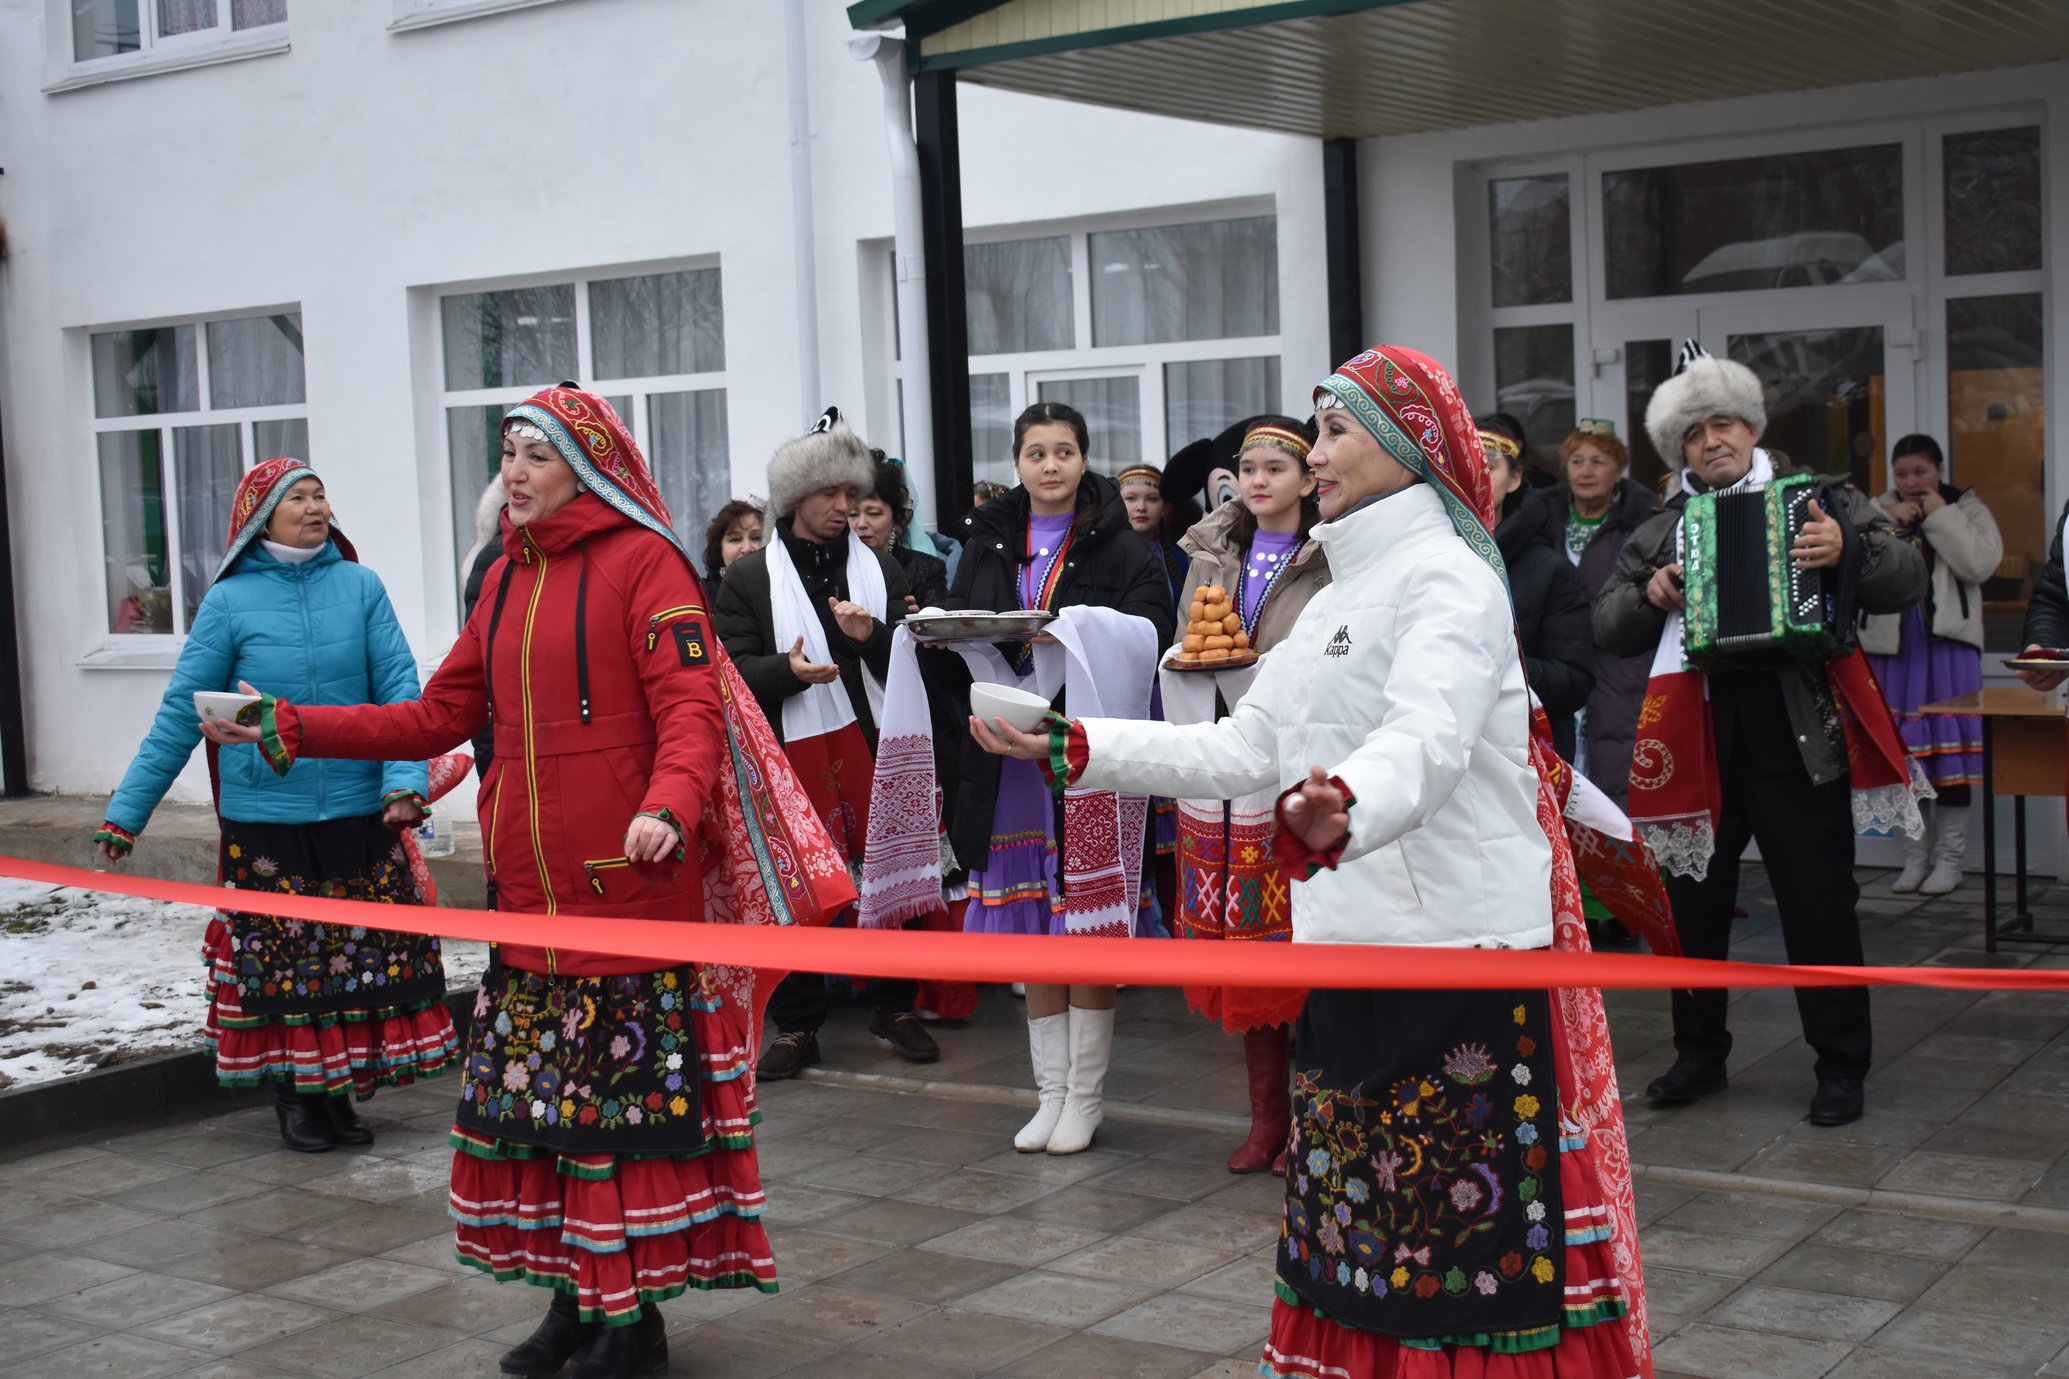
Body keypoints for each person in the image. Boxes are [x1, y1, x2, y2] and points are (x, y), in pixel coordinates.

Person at [971, 346, 1644, 1378]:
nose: (1310, 451)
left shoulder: (1448, 579)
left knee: (1452, 1252)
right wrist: (1075, 744)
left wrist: (1324, 816)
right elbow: (1245, 747)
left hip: (1449, 954)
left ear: (1405, 443)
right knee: (1361, 1238)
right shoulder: (1328, 589)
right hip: (1343, 944)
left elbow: (1424, 741)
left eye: (1333, 430)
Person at [207, 388, 798, 1379]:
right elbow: (434, 712)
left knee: (620, 1122)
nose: (513, 470)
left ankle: (633, 1322)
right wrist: (294, 725)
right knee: (546, 1120)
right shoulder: (504, 582)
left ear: (588, 466)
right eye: (507, 452)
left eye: (535, 453)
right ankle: (576, 1305)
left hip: (627, 900)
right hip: (529, 905)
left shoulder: (646, 564)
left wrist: (667, 803)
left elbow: (690, 705)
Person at [1594, 343, 1926, 1128]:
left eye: (1725, 424)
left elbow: (1905, 577)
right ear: (1679, 450)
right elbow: (1607, 625)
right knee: (1692, 907)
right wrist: (1650, 591)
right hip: (1697, 730)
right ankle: (1698, 1054)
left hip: (1793, 729)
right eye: (1695, 433)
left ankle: (1840, 1065)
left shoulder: (1821, 500)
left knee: (1817, 903)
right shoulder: (1657, 529)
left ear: (1751, 428)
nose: (1712, 441)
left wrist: (1847, 554)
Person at [95, 459, 451, 1154]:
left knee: (352, 962)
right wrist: (124, 816)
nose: (315, 506)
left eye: (321, 495)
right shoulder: (229, 602)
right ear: (262, 516)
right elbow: (179, 714)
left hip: (357, 814)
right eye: (298, 498)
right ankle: (298, 1095)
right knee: (288, 967)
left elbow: (403, 695)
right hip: (268, 822)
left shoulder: (361, 587)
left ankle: (339, 1093)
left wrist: (403, 784)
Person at [946, 400, 1175, 1154]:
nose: (1050, 466)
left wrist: (1074, 628)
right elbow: (965, 621)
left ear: (1084, 460)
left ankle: (1085, 1098)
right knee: (1028, 929)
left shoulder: (1121, 543)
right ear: (1016, 462)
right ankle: (1045, 1095)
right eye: (1036, 453)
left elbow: (1150, 634)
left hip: (1080, 752)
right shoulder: (985, 537)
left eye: (1064, 452)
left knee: (1082, 922)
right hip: (1006, 748)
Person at [713, 410, 936, 1076]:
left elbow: (917, 659)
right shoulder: (750, 579)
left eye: (852, 493)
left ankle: (895, 1006)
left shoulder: (881, 566)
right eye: (830, 494)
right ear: (793, 498)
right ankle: (798, 1025)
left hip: (878, 748)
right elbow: (727, 671)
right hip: (788, 756)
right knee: (796, 889)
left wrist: (873, 636)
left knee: (892, 875)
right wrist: (789, 671)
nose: (846, 507)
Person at [1165, 417, 1329, 1173]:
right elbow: (1184, 643)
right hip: (1225, 772)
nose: (1258, 481)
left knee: (1306, 950)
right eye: (1248, 469)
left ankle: (1313, 1122)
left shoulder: (1329, 557)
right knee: (1248, 953)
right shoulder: (1210, 554)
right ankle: (1265, 1118)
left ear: (1306, 479)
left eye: (1275, 468)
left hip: (1297, 769)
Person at [1864, 434, 2003, 895]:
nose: (1909, 482)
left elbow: (1979, 565)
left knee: (1950, 762)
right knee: (1910, 764)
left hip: (1948, 649)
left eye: (1919, 472)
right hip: (1897, 650)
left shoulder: (1967, 509)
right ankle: (1915, 859)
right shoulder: (1876, 511)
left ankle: (1950, 861)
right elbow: (1860, 568)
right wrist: (1892, 527)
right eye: (1901, 473)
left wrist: (1940, 515)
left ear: (1939, 470)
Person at [1479, 413, 1596, 762]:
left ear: (1514, 479)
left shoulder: (1551, 569)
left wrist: (1495, 662)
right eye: (1465, 464)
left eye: (1489, 465)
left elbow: (1575, 681)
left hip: (1525, 759)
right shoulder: (1430, 554)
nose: (1477, 476)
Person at [851, 457, 950, 610]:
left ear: (898, 519)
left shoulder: (926, 569)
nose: (861, 524)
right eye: (852, 514)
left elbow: (938, 626)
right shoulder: (831, 568)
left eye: (874, 513)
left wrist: (916, 622)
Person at [701, 499, 765, 590]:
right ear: (719, 548)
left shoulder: (784, 590)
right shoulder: (702, 597)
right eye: (735, 539)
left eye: (756, 538)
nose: (747, 548)